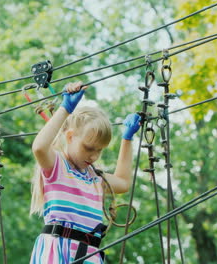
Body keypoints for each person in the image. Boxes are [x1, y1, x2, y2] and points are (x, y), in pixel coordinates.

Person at [30, 81, 141, 263]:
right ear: (71, 136)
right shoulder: (57, 166)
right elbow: (40, 148)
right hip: (58, 252)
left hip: (88, 254)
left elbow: (123, 182)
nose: (94, 156)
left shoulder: (94, 178)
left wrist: (127, 139)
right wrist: (65, 108)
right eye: (89, 148)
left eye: (100, 150)